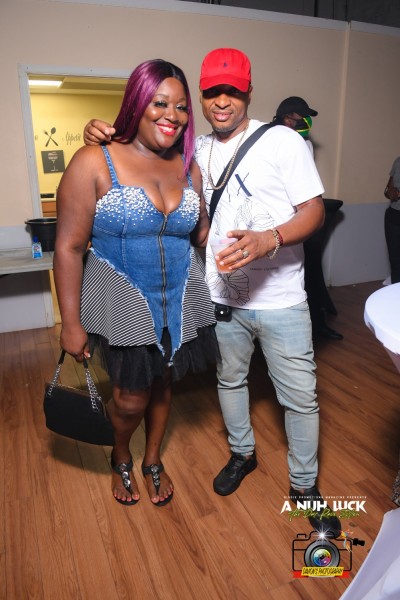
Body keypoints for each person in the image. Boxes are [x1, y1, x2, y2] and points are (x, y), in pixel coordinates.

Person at [83, 48, 341, 535]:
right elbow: (138, 154)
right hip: (219, 298)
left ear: (248, 92)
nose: (222, 101)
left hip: (281, 299)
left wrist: (270, 238)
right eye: (212, 92)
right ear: (201, 97)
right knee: (230, 381)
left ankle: (304, 484)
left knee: (300, 397)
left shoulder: (284, 140)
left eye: (233, 91)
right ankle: (242, 454)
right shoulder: (190, 149)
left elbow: (314, 211)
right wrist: (99, 134)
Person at [54, 59, 219, 508]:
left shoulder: (189, 167)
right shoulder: (95, 160)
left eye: (181, 107)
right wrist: (71, 323)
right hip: (124, 300)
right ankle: (121, 455)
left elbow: (200, 233)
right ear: (136, 103)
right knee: (130, 399)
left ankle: (152, 460)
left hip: (178, 300)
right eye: (159, 103)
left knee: (163, 383)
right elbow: (68, 247)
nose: (172, 115)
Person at [273, 96, 343, 341]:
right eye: (301, 117)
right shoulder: (268, 139)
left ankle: (317, 325)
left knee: (310, 272)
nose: (305, 122)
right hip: (274, 224)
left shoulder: (305, 144)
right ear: (286, 119)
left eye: (307, 118)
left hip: (301, 222)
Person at [384, 156, 400, 284]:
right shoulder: (398, 161)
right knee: (395, 262)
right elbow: (387, 189)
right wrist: (391, 192)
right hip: (394, 215)